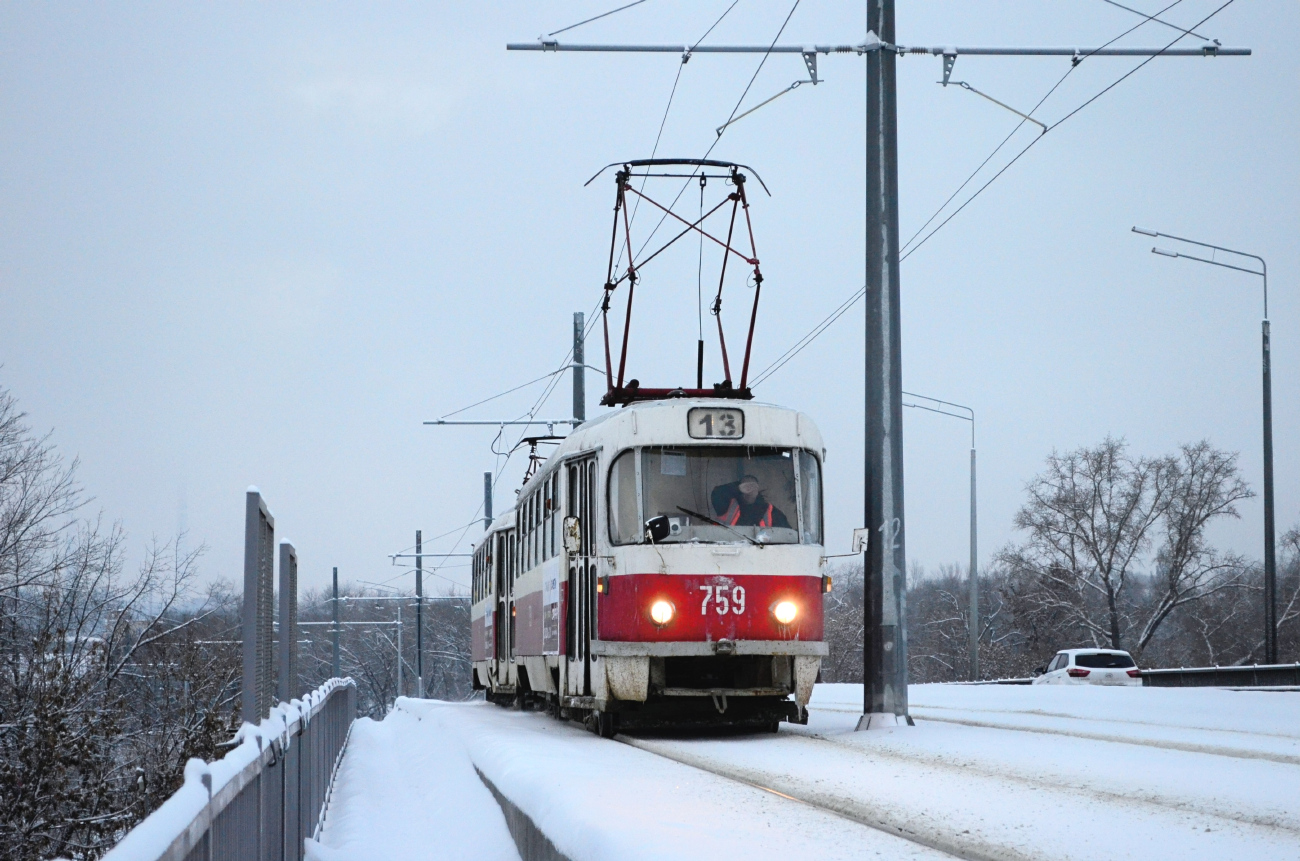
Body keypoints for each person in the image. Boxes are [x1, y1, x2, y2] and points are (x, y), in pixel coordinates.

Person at [710, 474, 790, 528]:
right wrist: (737, 487)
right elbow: (716, 493)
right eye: (745, 486)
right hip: (729, 549)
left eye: (753, 486)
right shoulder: (727, 505)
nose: (749, 489)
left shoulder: (770, 511)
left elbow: (786, 534)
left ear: (758, 489)